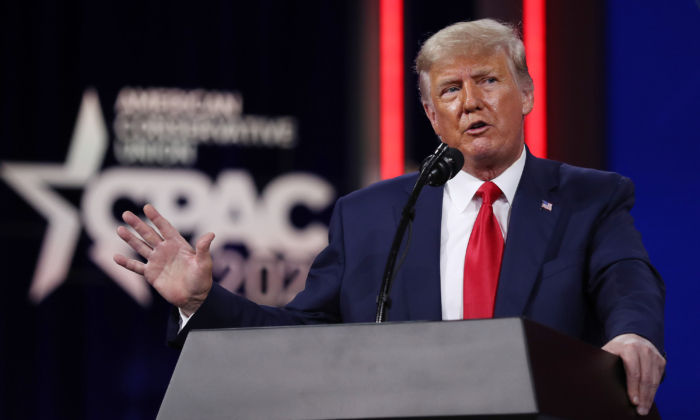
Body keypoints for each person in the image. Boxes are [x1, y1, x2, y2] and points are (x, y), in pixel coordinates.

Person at [113, 19, 665, 416]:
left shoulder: (590, 197)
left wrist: (633, 335)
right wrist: (200, 301)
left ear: (525, 93)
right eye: (451, 90)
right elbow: (308, 337)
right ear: (431, 115)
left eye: (488, 81)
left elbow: (627, 280)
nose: (470, 102)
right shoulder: (372, 216)